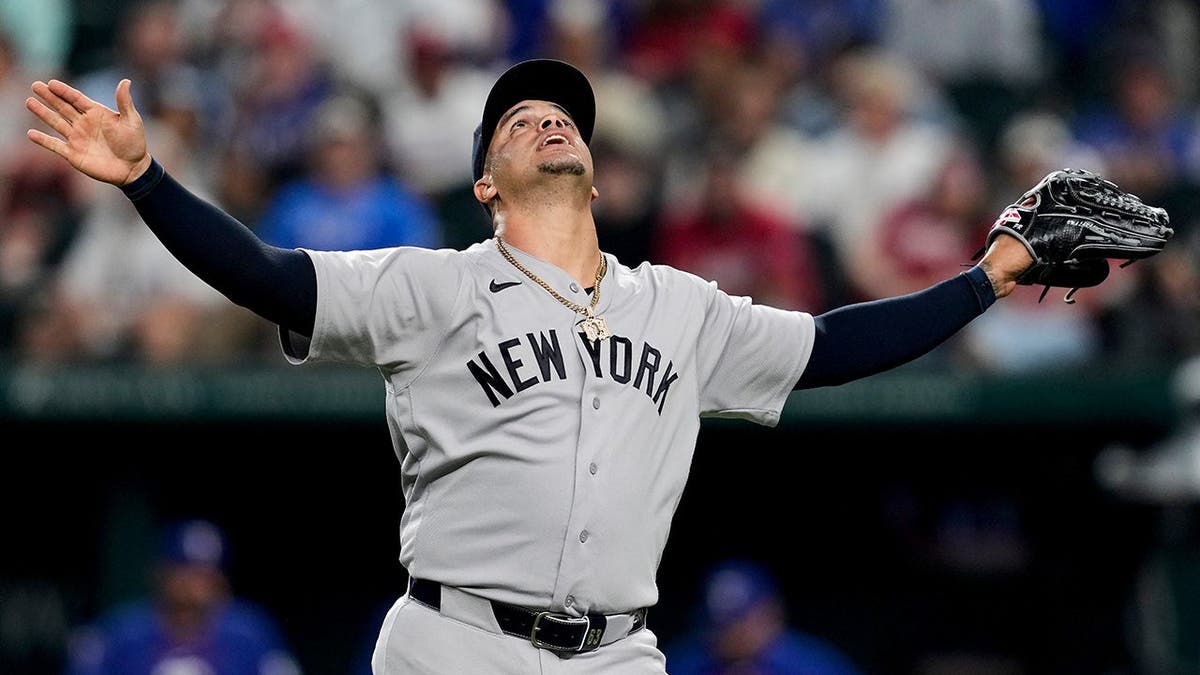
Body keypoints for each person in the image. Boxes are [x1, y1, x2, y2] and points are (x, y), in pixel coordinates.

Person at [26, 58, 1036, 674]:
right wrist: (150, 183)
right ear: (485, 181)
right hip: (452, 642)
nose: (549, 120)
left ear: (593, 167)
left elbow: (832, 347)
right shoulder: (436, 286)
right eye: (519, 121)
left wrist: (984, 280)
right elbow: (272, 280)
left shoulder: (678, 306)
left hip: (619, 653)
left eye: (563, 117)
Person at [63, 518, 301, 675]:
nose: (194, 587)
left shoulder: (250, 633)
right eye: (184, 572)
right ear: (159, 574)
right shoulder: (117, 634)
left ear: (222, 581)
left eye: (206, 575)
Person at [664, 559, 865, 675]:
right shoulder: (684, 663)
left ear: (771, 613)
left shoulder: (816, 666)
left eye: (739, 620)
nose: (730, 633)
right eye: (718, 623)